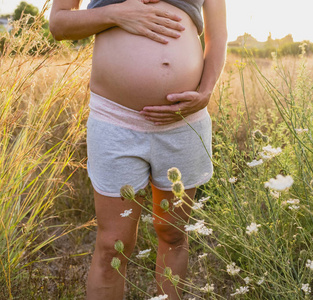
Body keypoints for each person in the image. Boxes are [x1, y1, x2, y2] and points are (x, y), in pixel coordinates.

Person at [49, 0, 227, 299]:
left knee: (172, 233)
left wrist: (206, 91)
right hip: (115, 121)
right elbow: (59, 24)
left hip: (183, 123)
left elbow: (217, 36)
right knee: (112, 245)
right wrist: (116, 13)